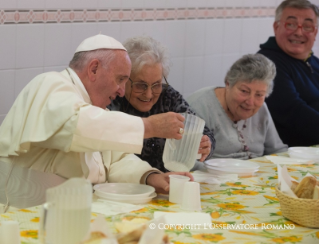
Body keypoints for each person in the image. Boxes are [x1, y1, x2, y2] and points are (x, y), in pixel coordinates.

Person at [0, 34, 192, 209]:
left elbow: (115, 159)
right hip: (23, 214)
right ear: (93, 69)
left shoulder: (92, 107)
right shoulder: (51, 84)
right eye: (120, 79)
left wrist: (152, 177)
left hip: (73, 213)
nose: (122, 91)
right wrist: (149, 126)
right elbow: (76, 125)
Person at [108, 36, 215, 172]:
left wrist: (206, 144)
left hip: (168, 183)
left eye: (156, 85)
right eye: (141, 85)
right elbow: (105, 135)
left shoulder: (168, 97)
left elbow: (203, 131)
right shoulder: (113, 98)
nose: (149, 94)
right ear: (124, 79)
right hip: (125, 185)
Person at [187, 54, 288, 159]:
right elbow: (188, 162)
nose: (250, 102)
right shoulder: (200, 106)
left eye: (259, 95)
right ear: (228, 83)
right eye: (244, 91)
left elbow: (278, 151)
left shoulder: (262, 108)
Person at [258, 0, 319, 147]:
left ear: (315, 32)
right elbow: (293, 112)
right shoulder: (266, 64)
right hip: (288, 155)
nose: (298, 32)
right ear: (276, 27)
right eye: (290, 24)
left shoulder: (312, 60)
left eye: (307, 26)